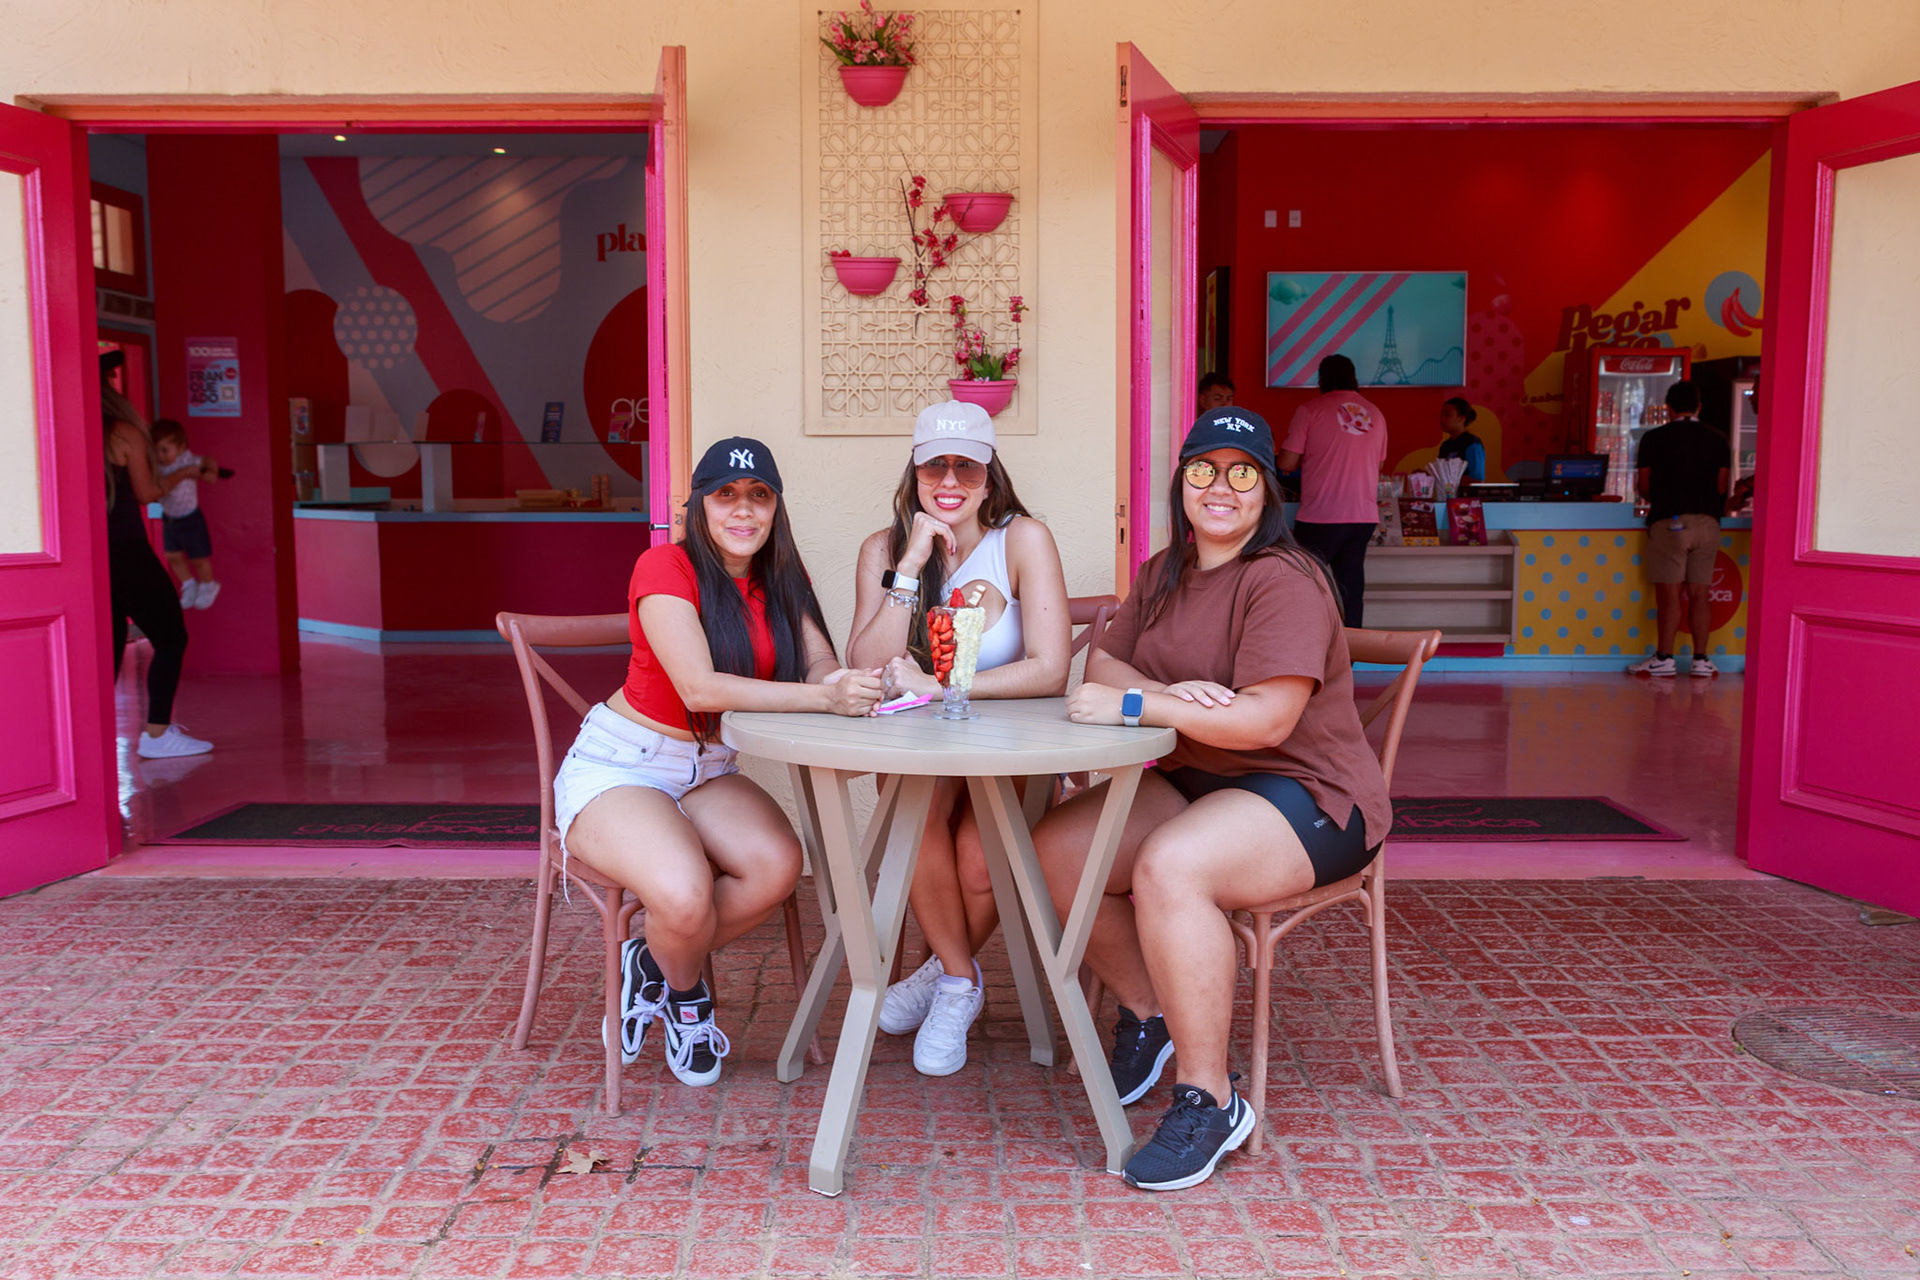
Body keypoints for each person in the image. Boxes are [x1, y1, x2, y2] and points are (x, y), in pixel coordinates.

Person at [1032, 405, 1389, 1192]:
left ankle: (1211, 1098)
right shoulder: (1165, 572)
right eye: (1203, 470)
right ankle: (1151, 1012)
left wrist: (1145, 706)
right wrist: (1169, 694)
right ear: (1181, 483)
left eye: (1242, 472)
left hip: (1310, 794)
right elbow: (1099, 667)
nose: (1220, 487)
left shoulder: (1286, 579)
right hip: (1199, 779)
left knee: (1171, 868)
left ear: (1267, 488)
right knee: (1055, 852)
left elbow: (1266, 721)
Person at [554, 437, 885, 1086]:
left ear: (775, 509)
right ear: (699, 505)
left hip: (707, 770)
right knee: (682, 892)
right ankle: (687, 998)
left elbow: (818, 658)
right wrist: (822, 696)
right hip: (623, 765)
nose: (743, 511)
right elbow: (699, 688)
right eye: (726, 495)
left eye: (759, 496)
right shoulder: (665, 567)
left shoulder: (784, 577)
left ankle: (650, 960)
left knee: (778, 866)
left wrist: (841, 682)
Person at [846, 400, 1071, 1077]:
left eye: (965, 466)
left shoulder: (1023, 540)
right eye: (934, 465)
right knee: (916, 815)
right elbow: (865, 662)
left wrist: (946, 689)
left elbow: (1052, 668)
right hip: (924, 758)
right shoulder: (882, 551)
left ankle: (938, 977)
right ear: (914, 472)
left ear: (988, 471)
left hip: (1014, 756)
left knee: (979, 861)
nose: (950, 479)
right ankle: (958, 981)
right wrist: (911, 566)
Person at [102, 385, 210, 759]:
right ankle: (158, 734)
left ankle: (94, 736)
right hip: (128, 550)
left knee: (110, 643)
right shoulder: (122, 431)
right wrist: (183, 473)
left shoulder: (74, 427)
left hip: (93, 553)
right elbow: (147, 493)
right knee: (172, 637)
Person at [1627, 381, 1729, 678]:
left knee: (1669, 594)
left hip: (1670, 522)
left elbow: (1644, 486)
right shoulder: (1718, 439)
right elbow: (1722, 486)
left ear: (1668, 408)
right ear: (1699, 407)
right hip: (1708, 523)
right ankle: (1700, 660)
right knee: (1701, 594)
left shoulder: (1653, 439)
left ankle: (1664, 658)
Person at [1278, 355, 1387, 626]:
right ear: (1354, 379)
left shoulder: (1310, 409)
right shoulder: (1375, 413)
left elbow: (1287, 463)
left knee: (1304, 585)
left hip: (1321, 516)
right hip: (1362, 518)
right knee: (1350, 591)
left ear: (1322, 379)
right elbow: (1379, 465)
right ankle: (1346, 662)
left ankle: (1303, 651)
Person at [151, 419, 222, 609]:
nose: (160, 455)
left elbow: (207, 462)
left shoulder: (187, 459)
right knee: (172, 555)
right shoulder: (156, 467)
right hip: (170, 518)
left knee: (198, 558)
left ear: (181, 447)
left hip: (190, 518)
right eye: (156, 450)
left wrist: (209, 470)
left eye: (165, 450)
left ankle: (209, 584)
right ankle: (189, 584)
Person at [1436, 397, 1486, 484]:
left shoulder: (1472, 443)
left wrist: (1451, 479)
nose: (1442, 419)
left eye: (1447, 414)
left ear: (1461, 418)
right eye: (1441, 414)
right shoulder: (1445, 446)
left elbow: (1477, 479)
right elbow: (1439, 475)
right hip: (1447, 497)